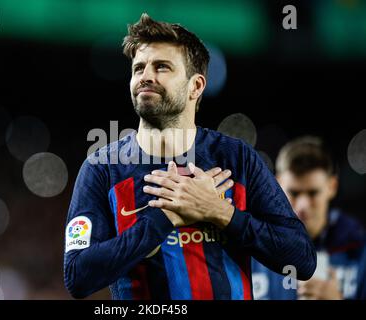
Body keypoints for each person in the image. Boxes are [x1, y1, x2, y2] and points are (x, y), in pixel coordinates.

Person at [64, 13, 316, 300]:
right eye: (138, 68)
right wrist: (163, 219)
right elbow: (77, 276)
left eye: (161, 67)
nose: (146, 76)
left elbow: (302, 259)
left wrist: (219, 212)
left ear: (196, 86)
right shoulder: (102, 168)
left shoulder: (237, 159)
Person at [251, 136, 366, 300]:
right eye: (294, 193)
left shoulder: (359, 249)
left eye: (313, 193)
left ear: (332, 187)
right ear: (277, 186)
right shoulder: (254, 246)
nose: (303, 205)